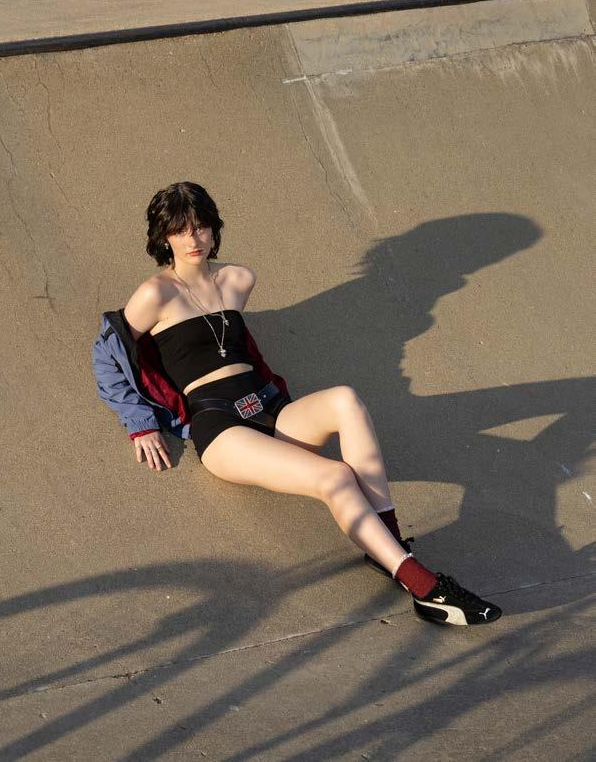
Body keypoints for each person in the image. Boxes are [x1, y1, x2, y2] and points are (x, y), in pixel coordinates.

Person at [92, 182, 501, 627]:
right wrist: (140, 422)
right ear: (164, 237)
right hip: (221, 426)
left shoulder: (238, 279)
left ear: (214, 229)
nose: (193, 239)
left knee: (345, 398)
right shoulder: (155, 293)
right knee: (335, 476)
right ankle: (424, 588)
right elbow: (106, 354)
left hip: (269, 406)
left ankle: (388, 545)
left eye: (201, 226)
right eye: (180, 230)